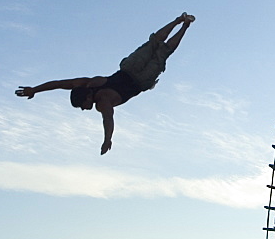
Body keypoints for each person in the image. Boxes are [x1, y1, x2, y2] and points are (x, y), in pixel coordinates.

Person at [15, 13, 195, 155]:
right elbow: (59, 84)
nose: (84, 109)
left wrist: (107, 139)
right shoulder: (87, 84)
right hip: (137, 76)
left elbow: (107, 119)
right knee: (160, 49)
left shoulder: (101, 102)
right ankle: (183, 23)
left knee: (158, 46)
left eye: (82, 106)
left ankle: (181, 21)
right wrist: (35, 90)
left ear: (86, 97)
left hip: (136, 75)